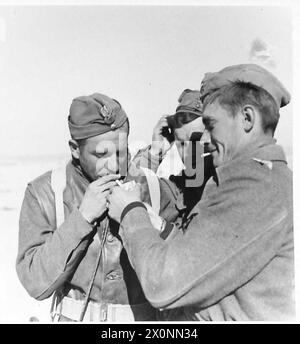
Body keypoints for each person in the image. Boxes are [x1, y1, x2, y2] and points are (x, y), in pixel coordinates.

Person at [107, 64, 294, 321]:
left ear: (247, 119)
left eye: (211, 125)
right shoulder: (248, 178)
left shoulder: (254, 187)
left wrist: (131, 214)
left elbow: (163, 285)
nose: (205, 141)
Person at [16, 93, 160, 322]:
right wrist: (82, 218)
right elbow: (35, 284)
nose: (114, 165)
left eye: (122, 152)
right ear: (75, 149)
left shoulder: (153, 188)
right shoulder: (45, 192)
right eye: (101, 155)